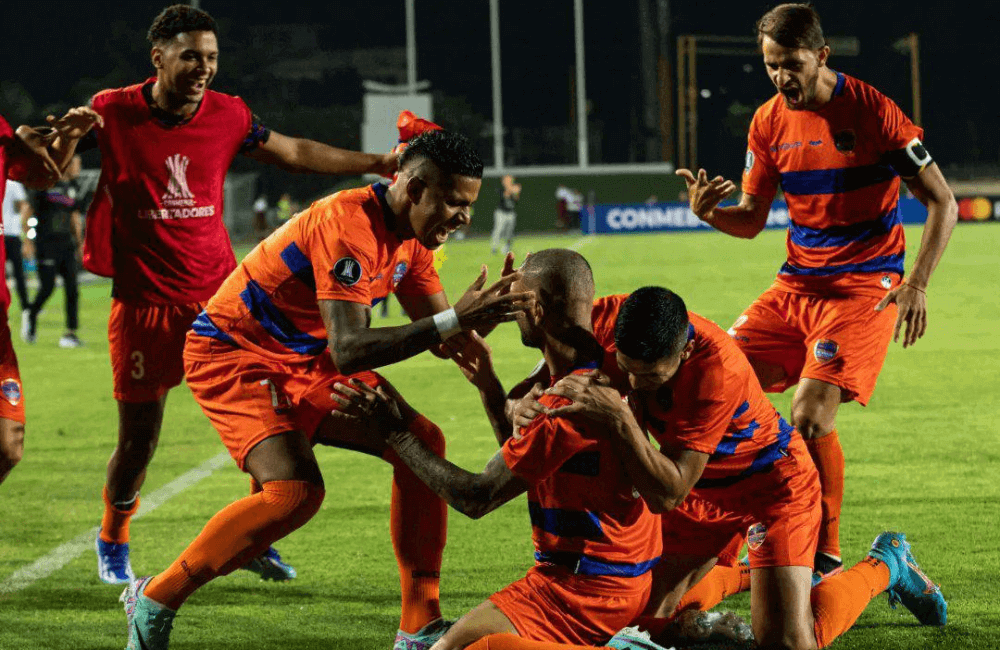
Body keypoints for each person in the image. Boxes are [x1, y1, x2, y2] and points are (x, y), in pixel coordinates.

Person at [120, 129, 534, 650]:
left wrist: (485, 330)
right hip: (236, 352)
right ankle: (154, 597)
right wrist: (455, 320)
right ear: (414, 189)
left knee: (421, 443)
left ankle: (418, 626)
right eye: (454, 202)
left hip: (306, 356)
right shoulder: (348, 226)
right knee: (293, 494)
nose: (464, 217)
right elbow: (351, 349)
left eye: (469, 205)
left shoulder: (413, 240)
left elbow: (444, 336)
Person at [76, 4, 405, 586]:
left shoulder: (229, 114)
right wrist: (54, 146)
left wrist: (376, 163)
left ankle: (257, 538)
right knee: (139, 438)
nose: (204, 68)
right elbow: (51, 165)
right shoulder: (111, 111)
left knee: (277, 415)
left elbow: (296, 153)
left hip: (225, 302)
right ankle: (113, 536)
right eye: (191, 57)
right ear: (158, 58)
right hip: (143, 304)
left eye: (212, 57)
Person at [336, 250, 749, 650]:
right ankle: (665, 628)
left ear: (534, 308)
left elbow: (478, 496)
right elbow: (527, 460)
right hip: (617, 576)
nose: (510, 310)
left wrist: (396, 433)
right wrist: (489, 385)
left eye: (516, 301)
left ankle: (631, 647)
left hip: (580, 589)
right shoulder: (603, 376)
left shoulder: (567, 402)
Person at [674, 3, 958, 584]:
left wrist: (917, 283)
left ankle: (822, 555)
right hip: (795, 284)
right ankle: (728, 531)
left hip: (863, 286)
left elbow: (943, 201)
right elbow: (752, 219)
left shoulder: (874, 110)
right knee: (707, 382)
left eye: (792, 64)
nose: (782, 78)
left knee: (808, 414)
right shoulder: (768, 121)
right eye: (772, 67)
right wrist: (711, 215)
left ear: (822, 56)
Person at [544, 287, 947, 650]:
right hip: (702, 487)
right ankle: (759, 578)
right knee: (638, 619)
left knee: (787, 643)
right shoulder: (620, 317)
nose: (634, 381)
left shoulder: (716, 372)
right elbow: (557, 337)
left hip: (770, 489)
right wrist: (524, 392)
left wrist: (619, 418)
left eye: (650, 375)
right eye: (625, 366)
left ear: (683, 352)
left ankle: (886, 565)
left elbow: (669, 493)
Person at [0, 109, 100, 484]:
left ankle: (63, 329)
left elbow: (43, 176)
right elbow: (31, 204)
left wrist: (64, 140)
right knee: (43, 289)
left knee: (7, 446)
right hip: (42, 245)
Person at [24, 155, 86, 347]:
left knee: (72, 290)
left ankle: (70, 334)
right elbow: (28, 211)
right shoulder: (46, 183)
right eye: (76, 164)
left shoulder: (73, 188)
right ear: (66, 164)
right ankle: (31, 316)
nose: (78, 168)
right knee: (47, 288)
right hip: (46, 245)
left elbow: (74, 217)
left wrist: (80, 243)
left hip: (66, 246)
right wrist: (27, 240)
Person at [3, 178, 31, 318]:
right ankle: (25, 306)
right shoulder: (13, 184)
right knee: (19, 274)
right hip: (12, 234)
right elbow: (22, 205)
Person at [490, 174, 521, 255]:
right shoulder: (500, 189)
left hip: (511, 212)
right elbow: (505, 196)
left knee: (509, 232)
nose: (508, 181)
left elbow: (516, 197)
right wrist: (510, 189)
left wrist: (514, 191)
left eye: (510, 179)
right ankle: (494, 247)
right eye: (506, 180)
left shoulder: (516, 187)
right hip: (501, 212)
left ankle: (506, 248)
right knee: (498, 230)